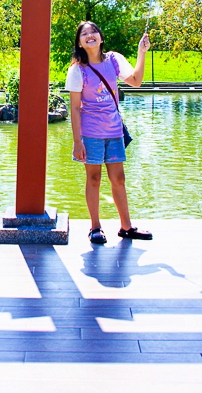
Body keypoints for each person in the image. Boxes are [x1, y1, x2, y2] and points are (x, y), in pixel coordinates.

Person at [65, 21, 153, 245]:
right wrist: (77, 141)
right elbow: (74, 108)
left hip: (114, 130)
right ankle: (95, 227)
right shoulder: (77, 70)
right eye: (84, 34)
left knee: (119, 179)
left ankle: (126, 227)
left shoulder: (114, 60)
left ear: (101, 38)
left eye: (93, 31)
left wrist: (141, 53)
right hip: (90, 133)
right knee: (93, 179)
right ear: (79, 43)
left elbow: (136, 81)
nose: (90, 35)